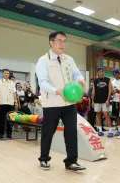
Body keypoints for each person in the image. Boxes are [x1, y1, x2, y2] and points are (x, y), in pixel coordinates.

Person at [36, 31, 86, 171]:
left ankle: (71, 162)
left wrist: (80, 80)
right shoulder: (43, 61)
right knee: (48, 132)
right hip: (52, 103)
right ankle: (44, 159)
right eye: (59, 40)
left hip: (69, 103)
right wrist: (57, 91)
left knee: (71, 132)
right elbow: (43, 82)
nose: (62, 44)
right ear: (51, 42)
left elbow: (76, 73)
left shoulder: (69, 59)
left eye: (64, 41)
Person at [0, 69, 18, 139]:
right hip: (2, 103)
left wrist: (16, 102)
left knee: (10, 119)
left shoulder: (12, 83)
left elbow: (14, 93)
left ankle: (9, 134)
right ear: (2, 74)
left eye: (7, 73)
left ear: (9, 74)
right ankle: (1, 134)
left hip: (10, 103)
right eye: (5, 73)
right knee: (1, 119)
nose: (6, 74)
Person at [92, 67, 113, 137]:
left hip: (105, 101)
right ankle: (100, 131)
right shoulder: (95, 81)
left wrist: (108, 100)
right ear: (97, 72)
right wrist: (92, 101)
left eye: (102, 71)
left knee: (106, 115)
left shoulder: (108, 79)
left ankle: (110, 131)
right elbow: (93, 91)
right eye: (100, 71)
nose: (101, 72)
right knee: (98, 115)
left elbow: (110, 90)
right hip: (97, 100)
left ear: (104, 72)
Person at [111, 68, 120, 136]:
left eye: (117, 74)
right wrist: (113, 93)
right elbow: (111, 92)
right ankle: (119, 129)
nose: (115, 76)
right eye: (114, 74)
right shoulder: (112, 82)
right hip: (115, 100)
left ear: (119, 73)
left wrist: (118, 91)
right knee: (117, 116)